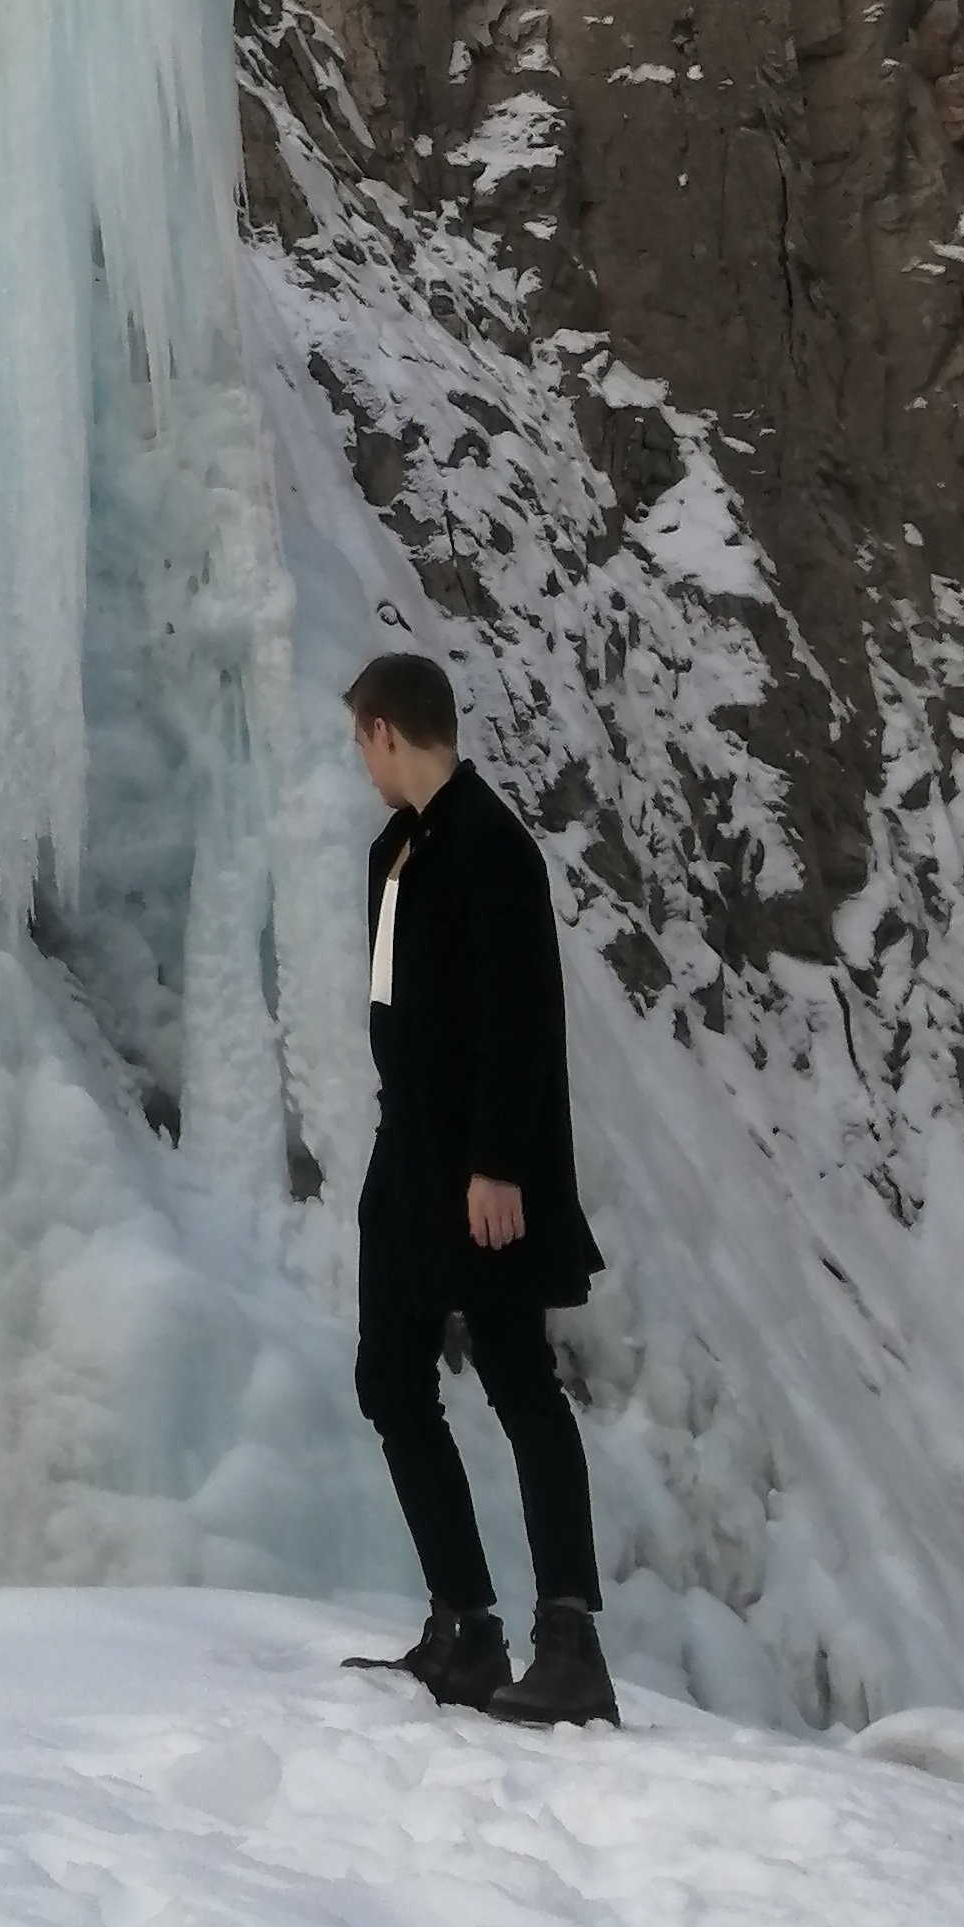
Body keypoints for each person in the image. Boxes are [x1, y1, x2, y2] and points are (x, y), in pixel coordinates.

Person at [343, 649, 617, 1727]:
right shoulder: (398, 851)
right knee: (391, 1381)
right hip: (408, 1160)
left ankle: (572, 1639)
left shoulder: (491, 846)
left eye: (360, 741)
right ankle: (465, 1623)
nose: (360, 761)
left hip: (483, 1171)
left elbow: (519, 1020)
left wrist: (499, 1163)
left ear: (386, 735)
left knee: (518, 1379)